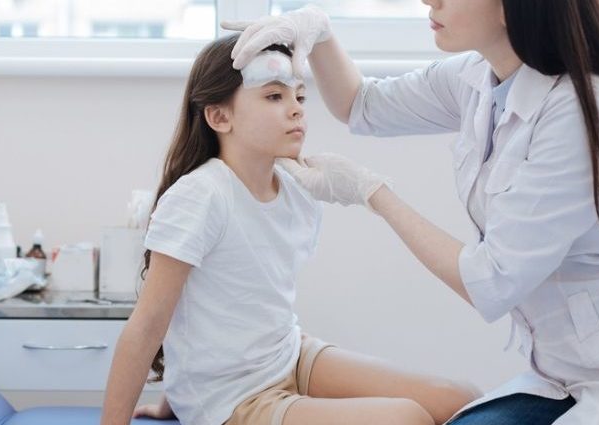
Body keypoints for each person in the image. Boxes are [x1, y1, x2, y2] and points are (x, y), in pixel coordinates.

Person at [224, 1, 599, 424]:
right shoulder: (479, 78)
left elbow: (493, 280)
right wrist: (322, 34)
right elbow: (361, 103)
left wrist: (374, 193)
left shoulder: (583, 112)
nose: (429, 0)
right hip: (560, 373)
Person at [99, 33, 478, 425]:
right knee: (405, 419)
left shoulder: (299, 188)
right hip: (232, 396)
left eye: (300, 96)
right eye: (274, 96)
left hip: (287, 355)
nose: (296, 109)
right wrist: (185, 395)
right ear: (219, 116)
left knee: (461, 400)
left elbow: (227, 305)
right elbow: (148, 326)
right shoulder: (200, 196)